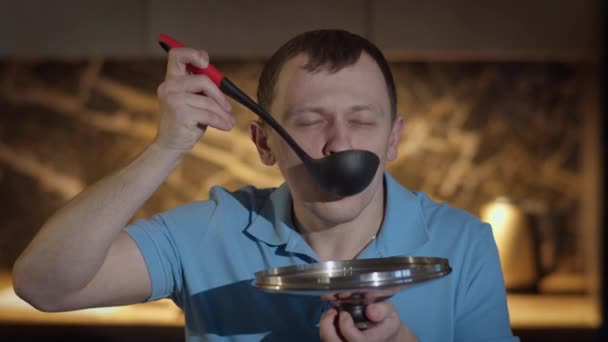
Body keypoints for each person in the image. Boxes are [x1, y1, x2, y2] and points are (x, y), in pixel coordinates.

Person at [12, 29, 518, 341]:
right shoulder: (210, 231)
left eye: (362, 121)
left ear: (393, 139)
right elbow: (44, 286)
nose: (339, 144)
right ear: (264, 143)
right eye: (310, 120)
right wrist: (165, 147)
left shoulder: (463, 243)